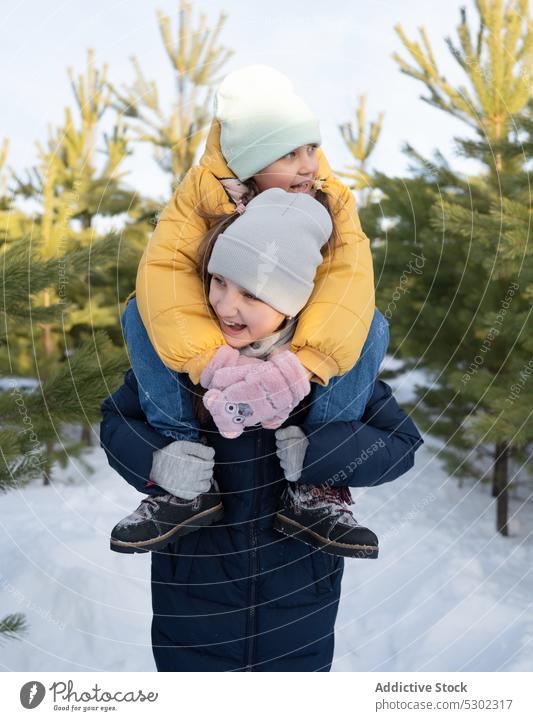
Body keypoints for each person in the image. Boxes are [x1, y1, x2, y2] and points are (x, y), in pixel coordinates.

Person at [113, 64, 385, 553]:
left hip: (288, 339)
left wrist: (305, 364)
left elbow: (347, 283)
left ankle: (317, 481)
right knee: (140, 312)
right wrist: (207, 360)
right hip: (217, 339)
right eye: (288, 153)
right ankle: (182, 476)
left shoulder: (330, 199)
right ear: (249, 160)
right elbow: (165, 276)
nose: (308, 166)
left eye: (311, 149)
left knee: (372, 323)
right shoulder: (204, 196)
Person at [100, 298, 423, 671]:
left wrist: (319, 455)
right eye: (223, 283)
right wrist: (156, 461)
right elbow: (117, 422)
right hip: (192, 602)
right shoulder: (184, 359)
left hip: (300, 604)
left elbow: (400, 443)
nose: (233, 304)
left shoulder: (330, 368)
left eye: (256, 293)